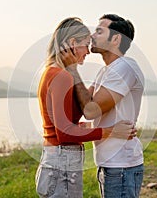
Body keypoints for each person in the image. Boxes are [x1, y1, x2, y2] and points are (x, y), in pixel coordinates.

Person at [35, 17, 136, 198]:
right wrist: (111, 131)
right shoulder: (62, 77)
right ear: (73, 43)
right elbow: (64, 133)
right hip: (62, 162)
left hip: (55, 160)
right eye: (85, 44)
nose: (88, 52)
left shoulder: (50, 72)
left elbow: (67, 120)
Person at [62, 14, 145, 198]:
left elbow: (91, 110)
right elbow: (84, 103)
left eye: (100, 31)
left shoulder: (125, 67)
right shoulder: (106, 71)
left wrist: (72, 70)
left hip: (121, 165)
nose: (92, 35)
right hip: (111, 164)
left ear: (115, 39)